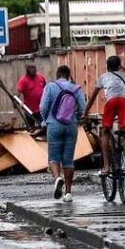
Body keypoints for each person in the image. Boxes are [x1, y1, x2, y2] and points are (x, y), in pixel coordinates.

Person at [86, 55, 125, 182]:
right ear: (119, 65)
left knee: (105, 132)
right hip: (124, 103)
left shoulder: (103, 77)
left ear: (108, 66)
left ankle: (106, 166)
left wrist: (85, 113)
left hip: (111, 103)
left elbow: (93, 97)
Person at [39, 65, 87, 203]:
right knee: (68, 159)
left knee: (53, 157)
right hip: (71, 126)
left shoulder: (50, 87)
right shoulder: (76, 88)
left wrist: (45, 119)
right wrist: (76, 119)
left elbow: (42, 107)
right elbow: (83, 108)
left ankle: (57, 178)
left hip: (54, 125)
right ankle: (68, 193)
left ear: (57, 74)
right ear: (68, 75)